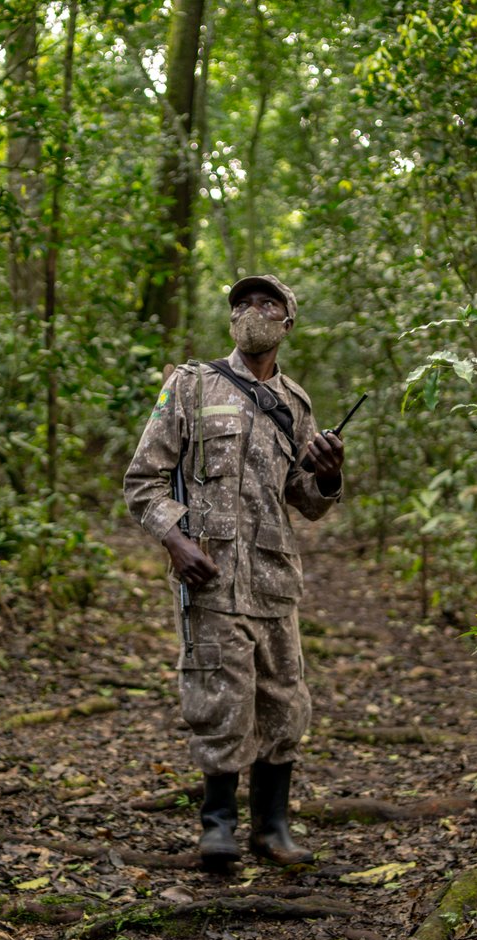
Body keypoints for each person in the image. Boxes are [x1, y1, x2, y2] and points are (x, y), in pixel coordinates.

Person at [124, 274, 345, 869]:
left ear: (286, 323)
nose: (252, 311)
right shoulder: (190, 386)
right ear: (230, 320)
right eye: (242, 303)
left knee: (283, 701)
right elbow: (142, 481)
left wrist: (328, 476)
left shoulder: (295, 404)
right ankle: (216, 825)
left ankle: (272, 829)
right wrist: (175, 541)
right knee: (218, 697)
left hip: (274, 579)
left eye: (267, 303)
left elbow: (306, 499)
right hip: (211, 576)